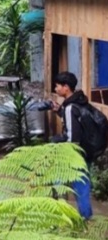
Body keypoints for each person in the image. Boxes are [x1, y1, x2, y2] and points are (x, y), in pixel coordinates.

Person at [51, 71, 93, 220]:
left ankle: (60, 216)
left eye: (57, 86)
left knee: (58, 183)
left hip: (72, 154)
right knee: (82, 187)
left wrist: (59, 144)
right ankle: (86, 219)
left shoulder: (70, 108)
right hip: (84, 152)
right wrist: (59, 112)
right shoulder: (80, 101)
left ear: (66, 87)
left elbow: (73, 137)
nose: (55, 89)